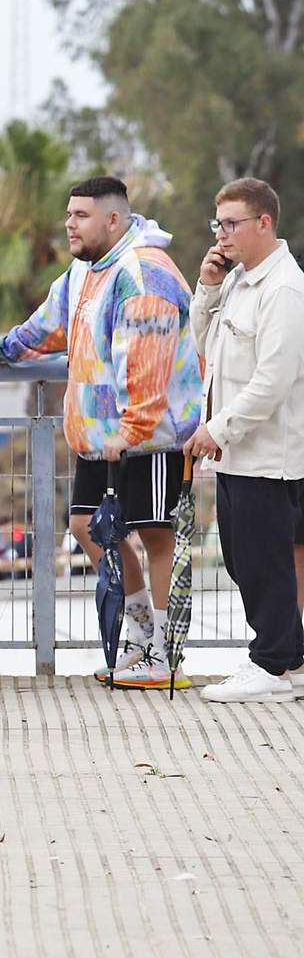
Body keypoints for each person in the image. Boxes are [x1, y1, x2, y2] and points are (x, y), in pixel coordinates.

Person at [0, 176, 201, 691]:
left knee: (156, 536)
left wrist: (134, 428)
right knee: (85, 527)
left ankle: (163, 658)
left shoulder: (145, 273)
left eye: (80, 215)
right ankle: (139, 641)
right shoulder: (82, 272)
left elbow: (149, 360)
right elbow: (47, 327)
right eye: (68, 214)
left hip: (152, 434)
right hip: (98, 435)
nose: (68, 224)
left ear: (113, 220)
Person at [185, 179, 304, 702]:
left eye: (232, 223)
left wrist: (217, 427)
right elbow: (201, 344)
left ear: (264, 223)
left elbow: (273, 382)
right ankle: (289, 659)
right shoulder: (239, 280)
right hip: (236, 451)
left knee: (263, 558)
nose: (223, 234)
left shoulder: (283, 288)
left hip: (268, 454)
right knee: (242, 556)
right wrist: (209, 287)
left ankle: (272, 664)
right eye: (218, 224)